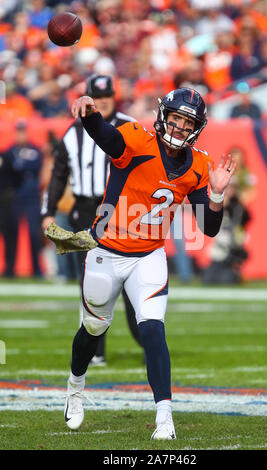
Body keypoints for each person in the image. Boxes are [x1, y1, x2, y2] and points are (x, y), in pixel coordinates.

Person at [60, 87, 236, 440]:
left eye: (188, 122)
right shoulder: (137, 140)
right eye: (176, 118)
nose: (180, 126)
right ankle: (75, 387)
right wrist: (91, 114)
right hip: (106, 250)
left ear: (197, 127)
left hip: (149, 255)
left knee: (153, 328)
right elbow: (107, 137)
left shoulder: (199, 164)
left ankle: (164, 417)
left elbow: (209, 228)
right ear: (163, 116)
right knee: (94, 329)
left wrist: (216, 196)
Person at [41, 74, 143, 366]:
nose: (103, 101)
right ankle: (95, 349)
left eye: (107, 95)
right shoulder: (73, 132)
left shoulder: (129, 126)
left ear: (114, 95)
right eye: (97, 97)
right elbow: (59, 174)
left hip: (122, 210)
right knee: (92, 282)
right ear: (89, 97)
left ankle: (146, 338)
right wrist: (47, 212)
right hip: (86, 210)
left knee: (128, 278)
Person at [5, 119, 43, 277]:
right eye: (19, 131)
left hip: (31, 196)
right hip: (15, 196)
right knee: (11, 234)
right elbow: (9, 169)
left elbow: (35, 166)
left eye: (23, 131)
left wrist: (20, 166)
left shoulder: (35, 149)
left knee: (34, 234)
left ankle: (37, 269)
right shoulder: (9, 151)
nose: (21, 134)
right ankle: (9, 270)